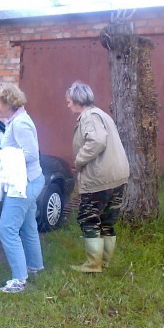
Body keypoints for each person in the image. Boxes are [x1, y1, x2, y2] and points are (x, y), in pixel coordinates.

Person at [66, 80, 130, 273]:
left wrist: (78, 161)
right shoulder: (102, 114)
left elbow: (97, 141)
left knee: (89, 217)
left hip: (100, 178)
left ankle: (93, 264)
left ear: (78, 100)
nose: (67, 104)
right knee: (107, 219)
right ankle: (105, 261)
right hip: (118, 176)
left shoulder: (89, 117)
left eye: (69, 100)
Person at [0, 84, 45, 293]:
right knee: (28, 225)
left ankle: (19, 280)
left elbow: (31, 155)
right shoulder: (15, 120)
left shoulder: (20, 124)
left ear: (8, 103)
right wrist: (0, 171)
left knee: (7, 228)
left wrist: (1, 155)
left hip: (25, 184)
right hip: (28, 180)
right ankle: (35, 267)